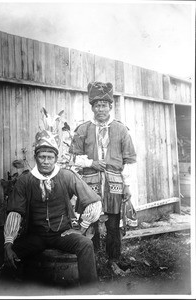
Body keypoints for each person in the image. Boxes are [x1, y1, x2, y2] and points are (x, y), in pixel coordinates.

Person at [3, 129, 102, 285]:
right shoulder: (25, 180)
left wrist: (81, 228)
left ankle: (89, 290)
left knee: (85, 244)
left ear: (55, 159)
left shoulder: (67, 176)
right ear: (35, 158)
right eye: (42, 157)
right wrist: (8, 243)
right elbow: (15, 212)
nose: (46, 161)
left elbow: (93, 201)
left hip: (62, 234)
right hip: (35, 236)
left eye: (50, 157)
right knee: (9, 253)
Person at [69, 81, 137, 268]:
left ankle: (113, 260)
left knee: (113, 224)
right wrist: (92, 163)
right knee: (90, 222)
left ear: (110, 107)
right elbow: (73, 157)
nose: (101, 109)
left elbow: (129, 159)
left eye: (104, 105)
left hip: (114, 183)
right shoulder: (82, 130)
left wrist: (127, 185)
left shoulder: (121, 129)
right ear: (92, 107)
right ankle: (93, 261)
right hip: (89, 182)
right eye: (97, 105)